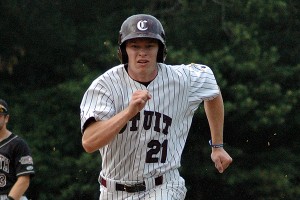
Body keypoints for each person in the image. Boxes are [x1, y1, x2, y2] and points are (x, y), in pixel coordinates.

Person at [80, 14, 232, 200]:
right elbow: (89, 142)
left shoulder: (182, 79)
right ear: (123, 50)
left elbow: (212, 90)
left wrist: (217, 145)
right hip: (113, 190)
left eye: (149, 46)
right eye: (134, 46)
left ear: (160, 50)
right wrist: (129, 112)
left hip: (164, 186)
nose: (142, 52)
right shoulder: (105, 86)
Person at [0, 99, 35, 200]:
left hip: (13, 196)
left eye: (0, 115)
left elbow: (24, 179)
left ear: (6, 118)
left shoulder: (17, 144)